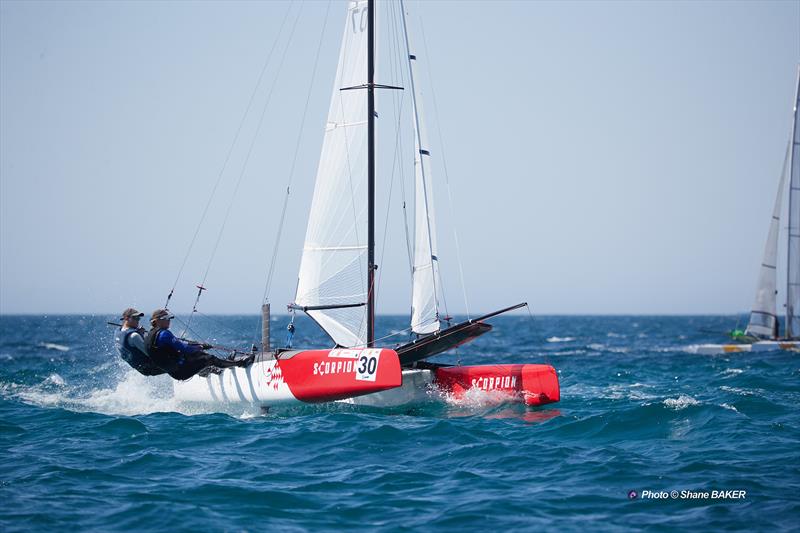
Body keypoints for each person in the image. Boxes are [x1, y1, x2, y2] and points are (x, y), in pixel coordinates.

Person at [144, 309, 254, 380]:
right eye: (165, 319)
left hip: (175, 371)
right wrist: (200, 346)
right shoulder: (164, 334)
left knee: (198, 355)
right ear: (156, 321)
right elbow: (184, 347)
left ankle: (213, 369)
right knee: (210, 358)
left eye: (169, 318)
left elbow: (178, 343)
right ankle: (240, 363)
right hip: (181, 371)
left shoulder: (152, 334)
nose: (169, 321)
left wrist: (197, 346)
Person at [115, 307, 167, 376]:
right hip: (149, 367)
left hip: (139, 367)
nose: (138, 321)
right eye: (135, 318)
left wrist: (140, 333)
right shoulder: (134, 336)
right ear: (126, 318)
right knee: (178, 363)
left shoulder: (118, 331)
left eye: (138, 318)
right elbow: (150, 354)